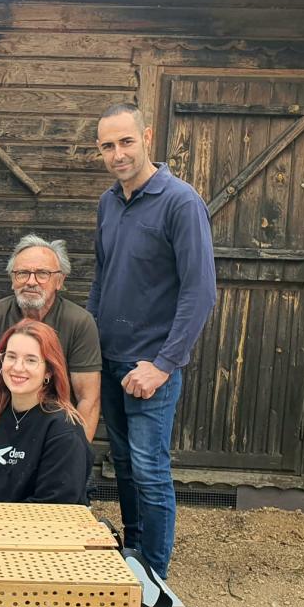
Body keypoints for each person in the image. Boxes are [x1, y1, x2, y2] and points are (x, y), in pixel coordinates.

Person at [89, 102, 217, 579]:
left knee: (149, 469)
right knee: (121, 464)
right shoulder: (108, 203)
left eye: (126, 141)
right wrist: (92, 343)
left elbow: (200, 290)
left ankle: (156, 575)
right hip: (111, 360)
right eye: (108, 145)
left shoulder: (180, 202)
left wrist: (164, 364)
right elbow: (103, 278)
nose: (118, 153)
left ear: (147, 136)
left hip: (152, 366)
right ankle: (134, 558)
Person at [0, 235, 101, 445]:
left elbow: (88, 399)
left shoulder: (79, 322)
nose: (31, 281)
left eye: (42, 274)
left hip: (56, 434)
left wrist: (74, 456)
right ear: (12, 279)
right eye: (22, 273)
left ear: (60, 280)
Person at [0, 320, 92, 505]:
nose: (18, 367)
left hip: (44, 530)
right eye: (11, 357)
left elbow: (54, 504)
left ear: (49, 371)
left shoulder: (63, 429)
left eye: (31, 360)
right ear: (1, 362)